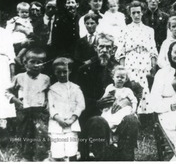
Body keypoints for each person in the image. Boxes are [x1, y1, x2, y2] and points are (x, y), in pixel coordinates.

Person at [76, 33, 139, 161]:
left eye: (108, 47)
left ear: (113, 49)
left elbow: (131, 92)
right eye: (101, 47)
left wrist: (125, 102)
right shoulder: (86, 69)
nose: (104, 51)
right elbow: (79, 97)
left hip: (117, 115)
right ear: (95, 48)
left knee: (132, 120)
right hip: (93, 115)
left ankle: (125, 158)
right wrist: (97, 103)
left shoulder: (119, 70)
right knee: (98, 122)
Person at [6, 47, 50, 161]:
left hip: (39, 113)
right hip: (24, 112)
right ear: (25, 63)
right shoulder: (19, 77)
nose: (36, 65)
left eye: (39, 62)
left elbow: (49, 93)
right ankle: (26, 156)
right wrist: (14, 99)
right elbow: (7, 91)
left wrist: (47, 103)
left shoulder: (46, 79)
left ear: (43, 65)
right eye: (32, 62)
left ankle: (41, 157)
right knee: (25, 134)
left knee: (41, 134)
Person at [115, 0, 158, 115]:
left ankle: (144, 117)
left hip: (145, 63)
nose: (136, 15)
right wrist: (123, 68)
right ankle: (131, 115)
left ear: (142, 12)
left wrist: (153, 66)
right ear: (130, 14)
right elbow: (121, 51)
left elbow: (153, 50)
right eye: (133, 13)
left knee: (144, 90)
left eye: (138, 12)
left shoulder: (149, 30)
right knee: (132, 88)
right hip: (131, 63)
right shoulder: (125, 29)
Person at [48, 57, 85, 161]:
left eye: (65, 72)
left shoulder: (76, 88)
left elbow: (81, 105)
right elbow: (50, 107)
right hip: (56, 124)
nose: (62, 75)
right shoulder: (52, 89)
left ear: (70, 71)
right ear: (55, 72)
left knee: (71, 148)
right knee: (57, 150)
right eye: (59, 72)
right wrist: (58, 119)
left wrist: (72, 119)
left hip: (71, 124)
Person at [0, 5, 17, 149]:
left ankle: (2, 132)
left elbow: (11, 56)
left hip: (0, 67)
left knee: (2, 97)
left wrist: (13, 76)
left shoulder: (4, 33)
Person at [98, 66, 137, 144]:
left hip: (122, 110)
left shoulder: (127, 90)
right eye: (117, 77)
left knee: (122, 119)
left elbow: (134, 100)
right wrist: (104, 106)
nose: (120, 79)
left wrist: (134, 110)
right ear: (113, 77)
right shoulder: (109, 87)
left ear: (126, 79)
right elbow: (104, 98)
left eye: (122, 77)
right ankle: (110, 138)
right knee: (105, 119)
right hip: (111, 108)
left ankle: (119, 138)